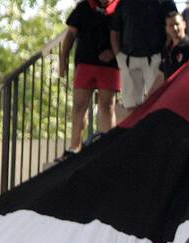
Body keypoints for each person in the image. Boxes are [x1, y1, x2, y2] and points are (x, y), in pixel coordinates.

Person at [61, 0, 121, 156]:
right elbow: (70, 35)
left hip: (110, 66)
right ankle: (75, 147)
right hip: (85, 62)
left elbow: (126, 34)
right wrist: (63, 60)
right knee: (79, 105)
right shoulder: (83, 7)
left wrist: (114, 52)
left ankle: (106, 148)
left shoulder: (120, 7)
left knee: (107, 105)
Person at [111, 0, 171, 116]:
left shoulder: (162, 2)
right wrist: (119, 57)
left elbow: (171, 25)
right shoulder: (123, 3)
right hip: (128, 60)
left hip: (154, 59)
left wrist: (163, 54)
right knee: (130, 105)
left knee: (157, 103)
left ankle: (154, 134)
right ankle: (133, 133)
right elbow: (115, 32)